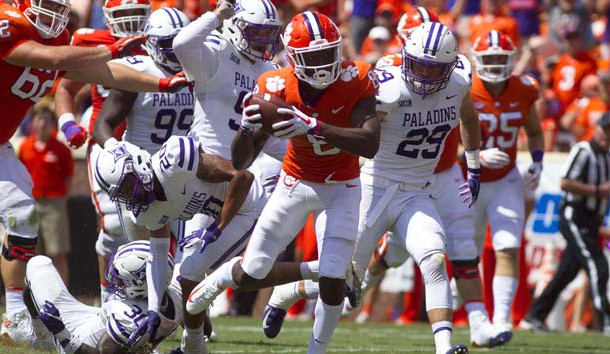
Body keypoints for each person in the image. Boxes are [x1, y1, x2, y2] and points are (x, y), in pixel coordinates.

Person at [261, 21, 481, 354]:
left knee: (434, 257)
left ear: (449, 67)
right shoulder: (388, 89)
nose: (425, 74)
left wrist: (474, 164)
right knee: (344, 283)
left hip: (417, 191)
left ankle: (445, 348)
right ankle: (287, 296)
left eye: (434, 68)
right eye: (419, 64)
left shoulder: (458, 83)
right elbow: (348, 125)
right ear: (405, 57)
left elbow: (469, 116)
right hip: (374, 187)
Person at [186, 10, 380, 354]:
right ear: (293, 58)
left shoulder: (357, 77)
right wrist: (246, 129)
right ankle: (217, 282)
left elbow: (370, 142)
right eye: (313, 57)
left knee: (334, 279)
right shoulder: (275, 86)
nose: (322, 64)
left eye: (327, 54)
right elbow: (243, 160)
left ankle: (315, 350)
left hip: (344, 186)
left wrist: (314, 127)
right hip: (296, 181)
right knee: (252, 272)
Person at [0, 0, 188, 345]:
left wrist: (161, 84)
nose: (52, 13)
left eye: (57, 6)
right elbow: (54, 61)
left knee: (23, 217)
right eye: (44, 5)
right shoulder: (8, 22)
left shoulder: (60, 40)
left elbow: (103, 74)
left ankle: (14, 316)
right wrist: (110, 48)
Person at [171, 0, 286, 349]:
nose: (263, 41)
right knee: (184, 274)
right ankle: (195, 337)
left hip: (240, 192)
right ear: (235, 27)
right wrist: (216, 14)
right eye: (256, 32)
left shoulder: (270, 71)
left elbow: (277, 145)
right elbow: (181, 44)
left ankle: (310, 279)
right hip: (203, 178)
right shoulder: (218, 53)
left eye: (269, 34)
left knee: (192, 274)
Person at [94, 134, 279, 349]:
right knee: (192, 272)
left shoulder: (174, 159)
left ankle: (193, 344)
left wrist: (216, 227)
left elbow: (242, 177)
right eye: (122, 193)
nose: (130, 195)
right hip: (223, 213)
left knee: (195, 272)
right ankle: (194, 341)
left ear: (137, 162)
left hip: (252, 203)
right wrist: (153, 309)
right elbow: (158, 254)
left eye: (128, 185)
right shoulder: (145, 212)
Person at [54, 0, 152, 303]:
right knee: (113, 224)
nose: (130, 22)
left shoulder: (159, 41)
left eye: (137, 15)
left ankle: (167, 298)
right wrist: (68, 123)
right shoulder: (94, 42)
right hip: (108, 144)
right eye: (123, 15)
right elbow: (66, 88)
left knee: (160, 226)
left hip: (151, 145)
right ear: (107, 18)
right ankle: (110, 296)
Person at [470, 30, 545, 334]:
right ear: (477, 60)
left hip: (505, 180)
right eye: (490, 59)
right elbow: (446, 143)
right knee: (466, 253)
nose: (497, 64)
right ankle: (452, 316)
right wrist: (474, 157)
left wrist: (538, 160)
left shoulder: (524, 88)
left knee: (508, 246)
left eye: (501, 58)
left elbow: (535, 131)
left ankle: (501, 319)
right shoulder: (464, 89)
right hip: (469, 179)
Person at [520, 112, 610, 335]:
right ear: (597, 128)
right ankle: (606, 321)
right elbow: (565, 182)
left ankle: (534, 317)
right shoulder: (583, 150)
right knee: (598, 265)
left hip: (590, 220)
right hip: (574, 215)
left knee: (566, 273)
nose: (606, 135)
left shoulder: (607, 157)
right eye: (605, 129)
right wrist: (598, 191)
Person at [25, 241, 181, 353]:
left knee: (38, 263)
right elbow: (196, 315)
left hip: (78, 337)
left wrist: (61, 332)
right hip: (97, 319)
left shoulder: (128, 318)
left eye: (121, 279)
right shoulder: (176, 293)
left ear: (141, 285)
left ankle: (43, 337)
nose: (115, 281)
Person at [19, 105, 74, 285]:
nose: (42, 123)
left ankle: (63, 293)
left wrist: (61, 200)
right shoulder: (25, 147)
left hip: (53, 204)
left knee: (57, 251)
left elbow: (68, 177)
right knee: (32, 253)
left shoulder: (61, 150)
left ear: (52, 124)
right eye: (38, 119)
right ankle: (32, 293)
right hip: (30, 204)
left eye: (46, 120)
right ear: (33, 122)